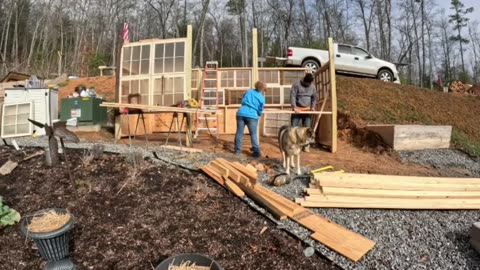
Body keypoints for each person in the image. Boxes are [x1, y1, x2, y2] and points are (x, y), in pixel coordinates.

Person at [234, 81, 267, 158]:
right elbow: (260, 109)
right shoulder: (261, 97)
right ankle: (256, 152)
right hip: (252, 115)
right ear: (263, 89)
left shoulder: (248, 91)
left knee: (239, 132)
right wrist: (258, 114)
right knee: (253, 134)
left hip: (241, 112)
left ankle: (237, 150)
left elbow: (243, 99)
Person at [290, 73, 318, 152]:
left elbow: (314, 97)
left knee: (307, 129)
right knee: (293, 127)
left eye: (310, 83)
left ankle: (306, 146)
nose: (308, 84)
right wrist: (294, 107)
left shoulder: (312, 87)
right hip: (297, 109)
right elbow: (292, 96)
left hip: (307, 110)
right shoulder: (296, 84)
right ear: (304, 81)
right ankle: (293, 144)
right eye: (307, 83)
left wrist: (313, 107)